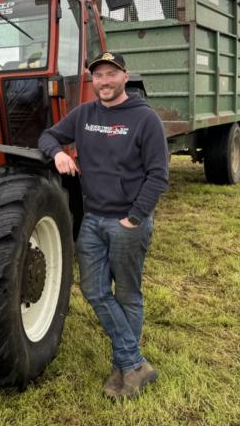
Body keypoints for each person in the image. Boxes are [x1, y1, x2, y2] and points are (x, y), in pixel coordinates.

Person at [38, 51, 169, 400]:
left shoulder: (145, 119)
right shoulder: (85, 114)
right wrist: (59, 153)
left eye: (111, 74)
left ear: (125, 76)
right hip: (93, 220)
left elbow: (158, 176)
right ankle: (134, 363)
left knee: (127, 294)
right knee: (94, 290)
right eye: (98, 76)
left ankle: (123, 367)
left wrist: (134, 218)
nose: (104, 82)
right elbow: (48, 136)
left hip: (127, 222)